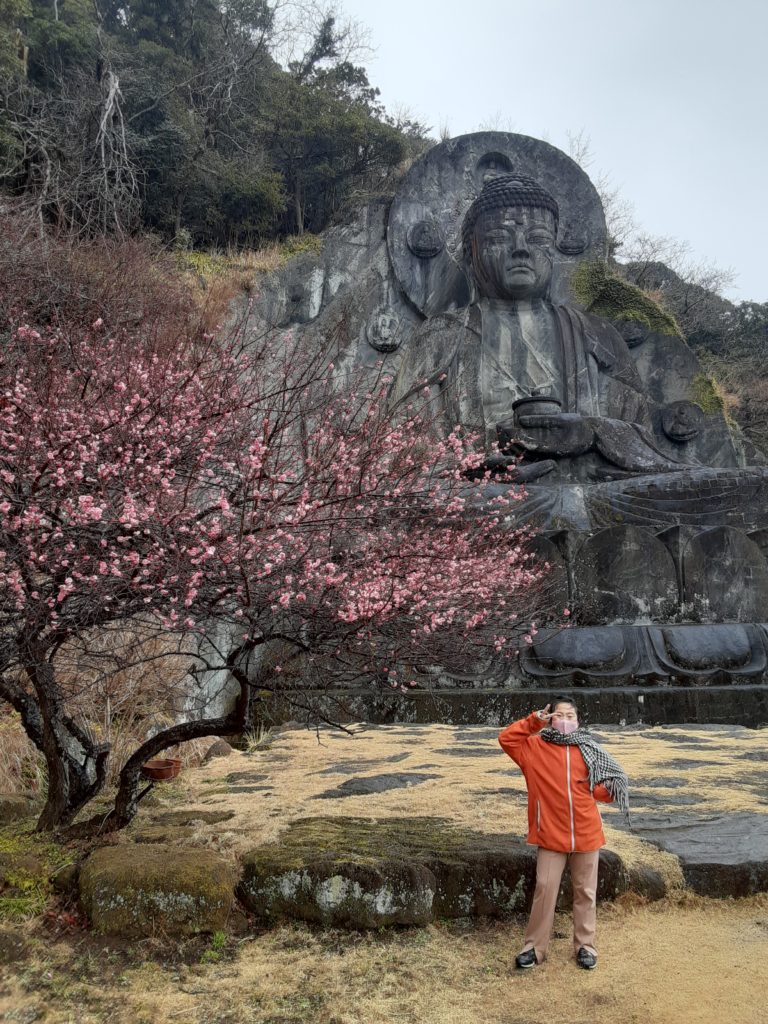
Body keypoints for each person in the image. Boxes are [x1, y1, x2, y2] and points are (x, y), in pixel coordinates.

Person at [498, 696, 629, 970]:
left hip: (586, 831)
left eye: (570, 716)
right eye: (559, 715)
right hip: (550, 833)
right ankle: (534, 948)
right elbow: (506, 739)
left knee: (586, 892)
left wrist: (604, 791)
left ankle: (585, 947)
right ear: (550, 718)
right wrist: (534, 721)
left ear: (578, 720)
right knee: (545, 889)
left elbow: (604, 788)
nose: (565, 720)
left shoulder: (589, 749)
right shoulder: (534, 748)